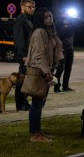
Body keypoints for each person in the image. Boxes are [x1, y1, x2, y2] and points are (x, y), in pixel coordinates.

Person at [26, 8, 63, 142]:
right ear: (40, 19)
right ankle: (35, 134)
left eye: (51, 17)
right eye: (46, 17)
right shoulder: (40, 32)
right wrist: (46, 72)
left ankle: (38, 131)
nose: (49, 19)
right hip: (39, 71)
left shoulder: (49, 32)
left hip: (45, 70)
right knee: (37, 102)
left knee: (40, 102)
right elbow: (39, 54)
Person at [13, 0, 35, 112]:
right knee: (21, 80)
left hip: (29, 54)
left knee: (27, 80)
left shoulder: (28, 20)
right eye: (29, 7)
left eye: (33, 7)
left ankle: (24, 102)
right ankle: (20, 104)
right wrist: (22, 55)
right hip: (25, 55)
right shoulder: (21, 20)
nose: (32, 9)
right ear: (22, 7)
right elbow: (19, 39)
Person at [54, 14, 83, 92]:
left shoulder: (71, 23)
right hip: (62, 48)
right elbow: (60, 34)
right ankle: (56, 87)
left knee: (68, 68)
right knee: (60, 68)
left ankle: (65, 86)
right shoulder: (58, 23)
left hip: (70, 48)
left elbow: (83, 24)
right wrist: (65, 25)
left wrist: (77, 18)